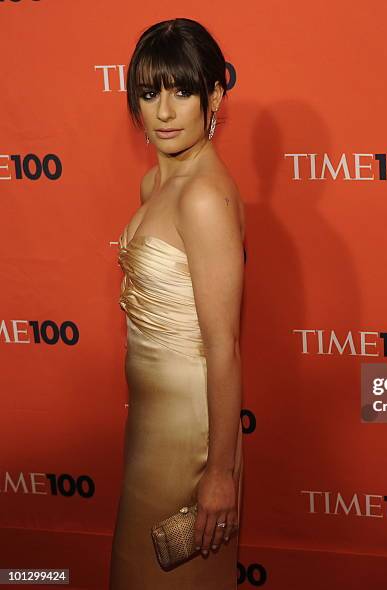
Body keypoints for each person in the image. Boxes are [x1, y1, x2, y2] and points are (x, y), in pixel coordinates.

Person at [109, 17, 245, 589]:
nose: (164, 111)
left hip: (188, 437)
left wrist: (218, 473)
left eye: (182, 90)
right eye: (149, 92)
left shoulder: (204, 198)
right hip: (150, 425)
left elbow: (223, 346)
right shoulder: (155, 185)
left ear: (213, 96)